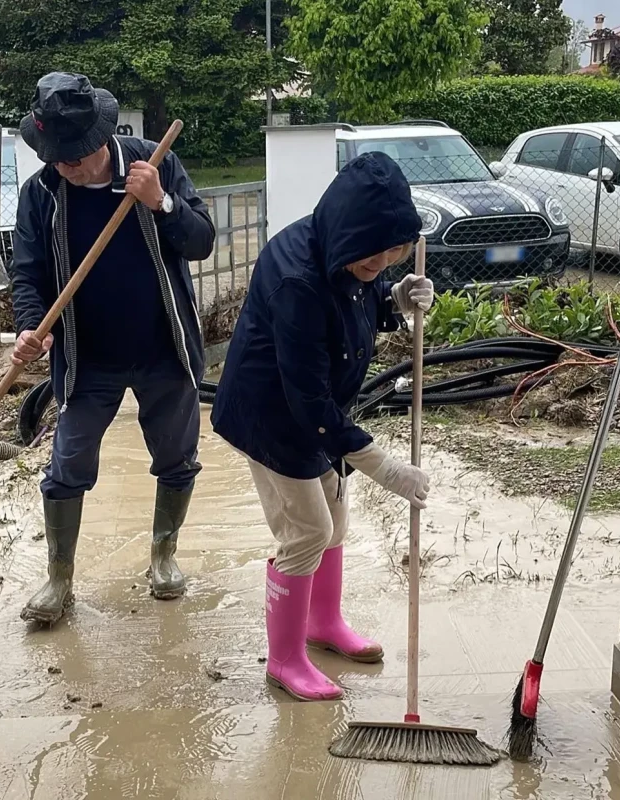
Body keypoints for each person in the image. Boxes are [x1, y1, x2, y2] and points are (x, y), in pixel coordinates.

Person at [212, 152, 434, 701]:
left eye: (397, 250)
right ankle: (285, 659)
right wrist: (383, 466)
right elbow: (307, 402)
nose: (383, 261)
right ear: (345, 232)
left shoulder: (349, 252)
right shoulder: (298, 280)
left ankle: (323, 623)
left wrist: (395, 299)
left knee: (334, 512)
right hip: (271, 415)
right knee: (306, 529)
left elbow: (360, 296)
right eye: (373, 255)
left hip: (315, 411)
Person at [11, 72, 215, 624]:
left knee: (176, 457)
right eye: (55, 156)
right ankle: (59, 580)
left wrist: (161, 203)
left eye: (74, 156)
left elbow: (201, 240)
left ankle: (163, 557)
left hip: (162, 347)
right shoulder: (42, 192)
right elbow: (27, 274)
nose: (66, 167)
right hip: (85, 356)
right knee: (67, 463)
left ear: (101, 138)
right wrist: (32, 328)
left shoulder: (153, 163)